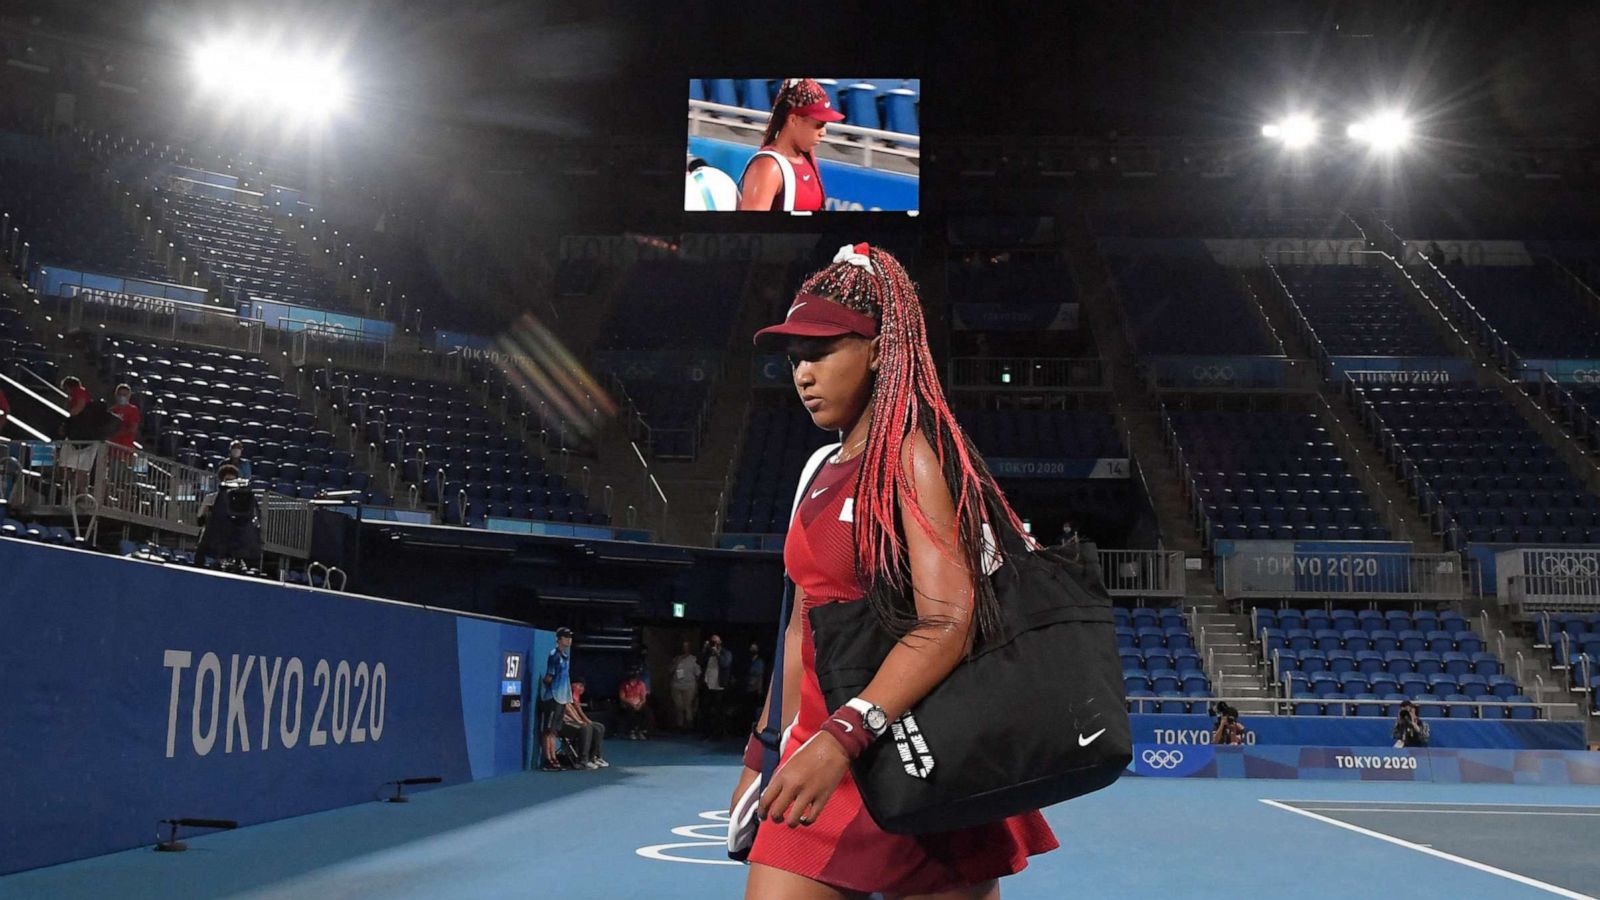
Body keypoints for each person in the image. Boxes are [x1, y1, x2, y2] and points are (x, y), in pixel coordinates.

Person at [734, 243, 1058, 898]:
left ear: (881, 348)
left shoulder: (916, 456)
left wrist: (843, 736)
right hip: (820, 758)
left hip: (924, 760)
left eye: (822, 351)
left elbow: (947, 621)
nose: (803, 373)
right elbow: (801, 632)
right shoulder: (814, 473)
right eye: (795, 357)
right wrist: (762, 751)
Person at [737, 78, 844, 212]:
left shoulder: (807, 160)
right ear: (793, 120)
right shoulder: (768, 167)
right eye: (818, 125)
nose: (823, 132)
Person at [539, 627, 575, 771]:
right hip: (552, 698)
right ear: (559, 639)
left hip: (561, 699)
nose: (569, 640)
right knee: (548, 730)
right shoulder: (554, 655)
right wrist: (546, 683)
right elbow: (549, 677)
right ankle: (548, 760)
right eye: (566, 637)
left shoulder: (565, 656)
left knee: (554, 731)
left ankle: (554, 757)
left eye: (570, 637)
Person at [562, 679, 608, 769]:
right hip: (564, 724)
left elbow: (572, 708)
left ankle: (594, 757)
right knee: (586, 728)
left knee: (599, 727)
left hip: (573, 721)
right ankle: (583, 760)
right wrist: (579, 721)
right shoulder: (561, 696)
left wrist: (581, 720)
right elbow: (569, 709)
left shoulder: (569, 696)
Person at [700, 634, 733, 739]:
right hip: (708, 685)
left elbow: (725, 664)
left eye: (716, 641)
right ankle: (706, 733)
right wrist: (705, 650)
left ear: (720, 642)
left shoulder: (726, 653)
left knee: (718, 712)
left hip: (719, 687)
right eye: (712, 641)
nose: (714, 644)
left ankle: (718, 734)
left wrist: (717, 653)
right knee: (706, 710)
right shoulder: (708, 654)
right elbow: (699, 662)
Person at [669, 641, 701, 731]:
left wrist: (696, 687)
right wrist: (675, 663)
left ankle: (689, 725)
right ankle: (680, 725)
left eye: (686, 646)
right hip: (676, 685)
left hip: (689, 686)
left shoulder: (693, 659)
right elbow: (670, 670)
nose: (684, 648)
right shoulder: (676, 658)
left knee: (688, 706)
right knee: (678, 706)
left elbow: (698, 674)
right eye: (683, 646)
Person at [617, 667, 650, 740]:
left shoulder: (641, 684)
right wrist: (632, 704)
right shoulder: (624, 685)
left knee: (646, 711)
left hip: (639, 703)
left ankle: (641, 730)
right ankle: (632, 731)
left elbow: (643, 698)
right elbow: (622, 697)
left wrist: (640, 704)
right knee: (630, 711)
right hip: (628, 703)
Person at [107, 383, 140, 451]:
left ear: (129, 396)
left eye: (124, 395)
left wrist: (118, 434)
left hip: (124, 449)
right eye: (120, 394)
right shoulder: (111, 410)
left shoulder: (133, 410)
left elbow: (133, 429)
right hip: (111, 449)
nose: (122, 397)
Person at [743, 642, 767, 732]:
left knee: (753, 711)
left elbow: (759, 676)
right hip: (747, 688)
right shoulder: (749, 661)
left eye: (754, 648)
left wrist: (759, 690)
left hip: (755, 689)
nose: (752, 650)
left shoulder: (759, 662)